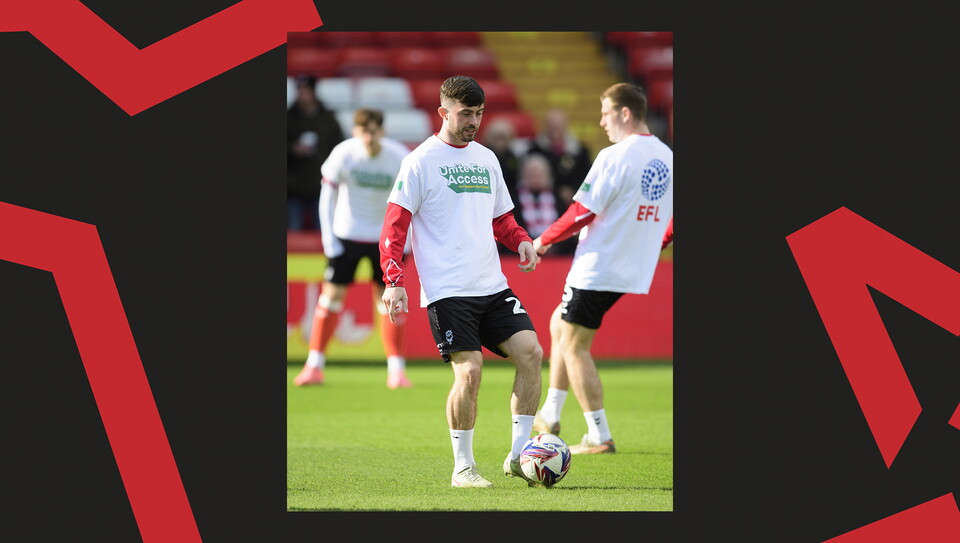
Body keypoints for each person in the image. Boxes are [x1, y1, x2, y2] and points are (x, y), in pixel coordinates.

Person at [378, 76, 544, 488]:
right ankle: (463, 469)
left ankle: (519, 455)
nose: (473, 121)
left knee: (532, 352)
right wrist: (394, 279)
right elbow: (394, 227)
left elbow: (500, 218)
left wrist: (520, 240)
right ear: (443, 113)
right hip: (448, 291)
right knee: (469, 372)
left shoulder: (487, 158)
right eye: (466, 113)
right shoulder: (419, 161)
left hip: (492, 284)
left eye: (479, 113)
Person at [530, 82, 674, 455]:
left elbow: (583, 211)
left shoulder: (615, 156)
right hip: (631, 266)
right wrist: (654, 243)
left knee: (575, 344)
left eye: (606, 112)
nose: (601, 121)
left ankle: (599, 434)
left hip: (599, 265)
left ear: (625, 113)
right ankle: (550, 413)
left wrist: (542, 240)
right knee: (558, 325)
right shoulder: (667, 157)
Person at [293, 108, 413, 389]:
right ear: (356, 132)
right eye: (363, 131)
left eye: (374, 131)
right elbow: (327, 194)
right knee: (331, 297)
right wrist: (329, 239)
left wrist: (406, 239)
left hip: (385, 240)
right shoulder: (344, 154)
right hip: (347, 235)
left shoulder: (398, 157)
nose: (369, 137)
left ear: (382, 131)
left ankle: (396, 371)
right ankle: (314, 366)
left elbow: (412, 200)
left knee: (389, 302)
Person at [524, 108, 592, 254]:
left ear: (566, 126)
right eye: (551, 125)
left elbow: (588, 179)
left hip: (574, 204)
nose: (555, 129)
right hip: (545, 203)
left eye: (559, 125)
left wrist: (574, 193)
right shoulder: (534, 150)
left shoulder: (581, 151)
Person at [287, 75, 345, 231]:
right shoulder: (288, 117)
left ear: (313, 92)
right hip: (292, 185)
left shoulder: (328, 118)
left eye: (306, 91)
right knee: (293, 232)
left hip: (321, 183)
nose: (302, 95)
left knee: (324, 229)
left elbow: (339, 147)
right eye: (300, 91)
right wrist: (292, 148)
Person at [513, 153, 559, 239]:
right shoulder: (514, 198)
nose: (536, 178)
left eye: (539, 174)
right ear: (524, 175)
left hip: (554, 247)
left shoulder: (557, 197)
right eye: (532, 174)